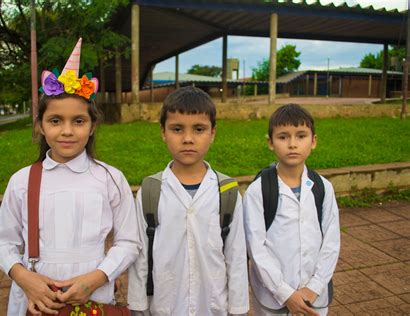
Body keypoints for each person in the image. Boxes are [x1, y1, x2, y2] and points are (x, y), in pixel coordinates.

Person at [0, 38, 141, 315]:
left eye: (79, 121)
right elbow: (2, 243)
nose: (67, 131)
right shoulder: (22, 181)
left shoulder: (110, 179)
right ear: (40, 126)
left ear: (93, 125)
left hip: (94, 295)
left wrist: (96, 278)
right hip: (35, 299)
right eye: (56, 120)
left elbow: (129, 242)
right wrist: (26, 279)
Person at [128, 86, 249, 316]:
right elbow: (140, 255)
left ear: (213, 133)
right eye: (177, 129)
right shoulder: (150, 191)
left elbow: (236, 257)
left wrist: (238, 309)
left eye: (199, 129)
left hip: (213, 307)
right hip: (164, 307)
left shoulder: (228, 192)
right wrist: (138, 306)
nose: (187, 139)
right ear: (163, 131)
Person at [243, 103, 340, 316]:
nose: (292, 144)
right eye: (283, 136)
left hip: (314, 297)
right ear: (270, 142)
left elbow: (331, 243)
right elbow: (255, 248)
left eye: (301, 136)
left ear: (313, 141)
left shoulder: (323, 188)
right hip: (272, 299)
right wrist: (285, 293)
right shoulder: (258, 191)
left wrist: (314, 288)